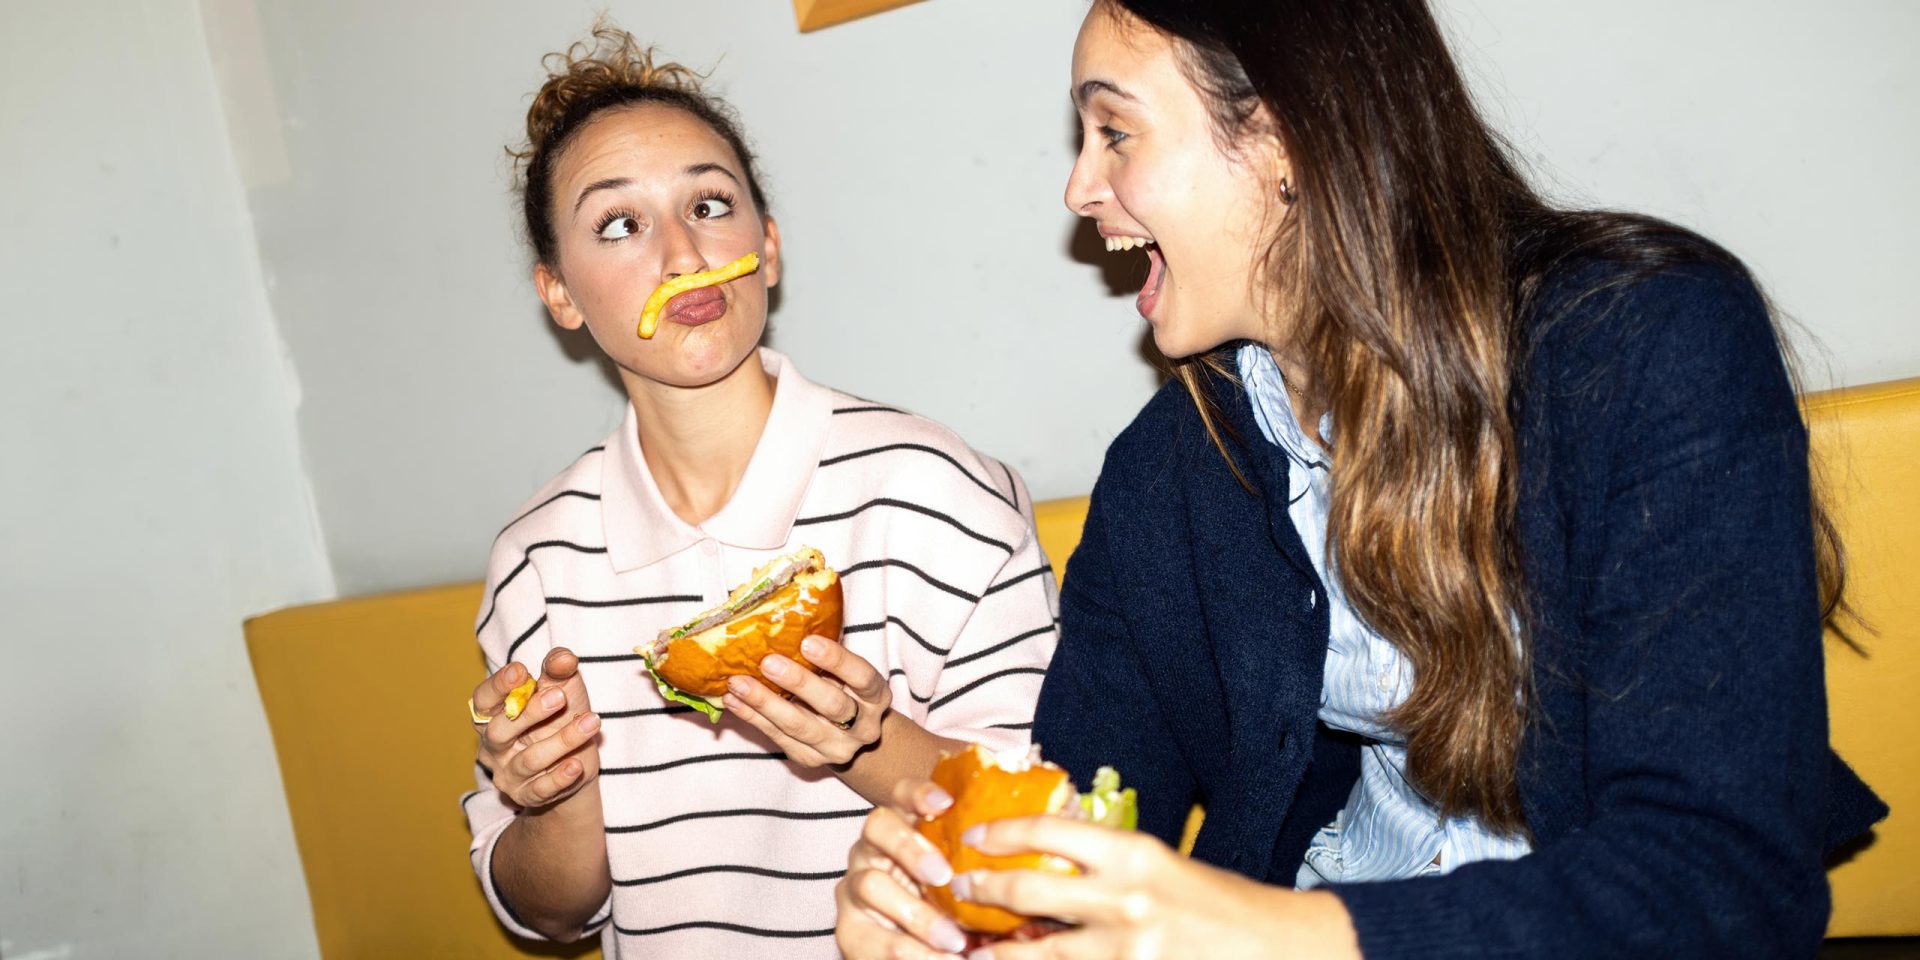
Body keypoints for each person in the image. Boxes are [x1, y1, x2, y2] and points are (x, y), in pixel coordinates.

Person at [834, 2, 1886, 958]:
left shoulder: (1646, 344)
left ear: (1287, 138)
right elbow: (1092, 806)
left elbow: (1724, 881)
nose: (1079, 188)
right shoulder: (1170, 469)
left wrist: (1263, 933)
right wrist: (960, 897)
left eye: (1115, 131)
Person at [460, 24, 1058, 959]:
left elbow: (1047, 821)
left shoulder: (935, 492)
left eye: (709, 205)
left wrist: (869, 743)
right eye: (619, 224)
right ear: (561, 295)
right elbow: (549, 914)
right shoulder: (537, 563)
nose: (684, 255)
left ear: (767, 248)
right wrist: (560, 794)